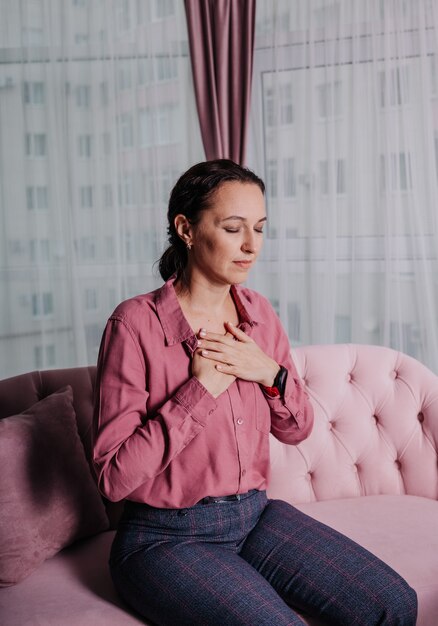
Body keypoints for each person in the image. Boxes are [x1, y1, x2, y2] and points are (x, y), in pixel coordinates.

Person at [92, 159, 417, 626]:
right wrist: (201, 390)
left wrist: (269, 373)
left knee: (394, 604)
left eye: (260, 229)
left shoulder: (259, 313)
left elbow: (298, 429)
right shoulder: (134, 323)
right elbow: (113, 477)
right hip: (164, 538)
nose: (251, 246)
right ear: (186, 228)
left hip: (256, 516)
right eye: (232, 228)